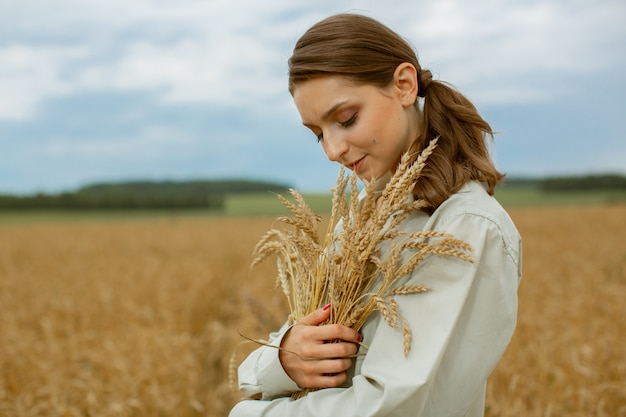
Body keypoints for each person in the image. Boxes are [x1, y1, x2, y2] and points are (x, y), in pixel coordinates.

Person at [229, 13, 522, 417]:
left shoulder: (466, 228)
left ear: (404, 85)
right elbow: (314, 337)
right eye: (318, 133)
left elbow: (394, 406)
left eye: (346, 119)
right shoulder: (363, 217)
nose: (332, 150)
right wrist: (283, 358)